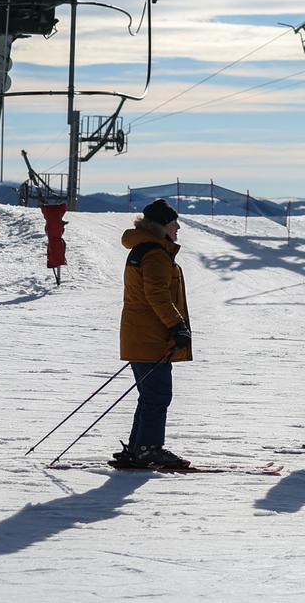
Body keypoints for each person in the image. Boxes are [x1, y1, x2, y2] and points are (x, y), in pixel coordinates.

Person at [112, 198, 194, 470]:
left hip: (140, 335)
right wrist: (176, 325)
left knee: (150, 396)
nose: (178, 227)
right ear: (162, 225)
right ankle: (148, 449)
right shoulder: (156, 253)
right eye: (174, 223)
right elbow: (156, 295)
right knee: (157, 395)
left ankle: (139, 448)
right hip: (150, 336)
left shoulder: (142, 248)